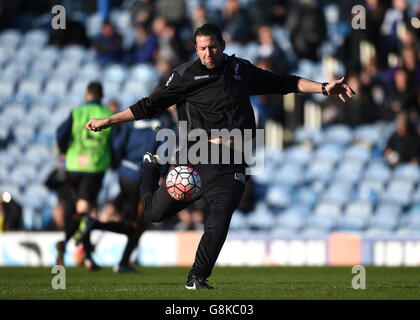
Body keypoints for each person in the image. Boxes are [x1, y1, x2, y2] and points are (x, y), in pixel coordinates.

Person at [85, 23, 355, 289]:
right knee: (154, 214)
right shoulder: (184, 76)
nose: (207, 53)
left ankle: (196, 278)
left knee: (218, 223)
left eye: (212, 47)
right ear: (196, 48)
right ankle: (150, 166)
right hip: (196, 159)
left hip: (232, 163)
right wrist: (109, 120)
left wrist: (323, 88)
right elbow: (149, 104)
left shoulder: (240, 70)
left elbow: (283, 83)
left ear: (223, 45)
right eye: (202, 48)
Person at [56, 82, 115, 270]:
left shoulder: (77, 112)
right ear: (101, 94)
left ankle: (88, 258)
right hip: (94, 167)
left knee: (87, 211)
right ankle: (65, 242)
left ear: (87, 94)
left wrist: (65, 150)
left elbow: (60, 133)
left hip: (73, 166)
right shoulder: (107, 114)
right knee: (86, 212)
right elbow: (115, 142)